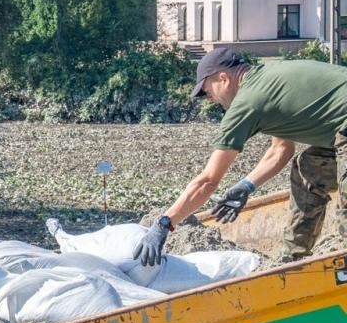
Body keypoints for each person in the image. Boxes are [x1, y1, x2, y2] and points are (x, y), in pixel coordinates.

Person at [136, 49, 347, 266]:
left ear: (224, 78)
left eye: (207, 91)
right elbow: (280, 150)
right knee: (309, 171)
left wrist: (164, 223)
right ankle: (292, 261)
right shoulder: (268, 80)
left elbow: (208, 181)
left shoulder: (246, 102)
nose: (208, 99)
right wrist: (246, 186)